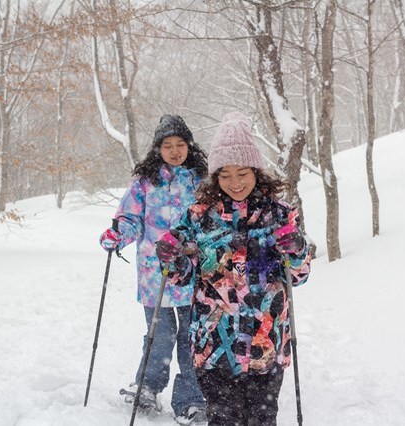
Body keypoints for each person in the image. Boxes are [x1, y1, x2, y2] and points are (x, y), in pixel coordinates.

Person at [155, 112, 311, 426]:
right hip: (214, 347)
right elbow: (181, 275)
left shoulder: (279, 215)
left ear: (256, 170)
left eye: (242, 173)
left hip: (264, 347)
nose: (234, 183)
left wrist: (297, 250)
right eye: (224, 175)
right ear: (215, 175)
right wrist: (170, 256)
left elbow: (299, 275)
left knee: (261, 420)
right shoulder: (199, 216)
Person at [99, 114, 207, 425]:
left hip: (191, 273)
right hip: (153, 274)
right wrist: (118, 235)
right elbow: (130, 219)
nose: (175, 151)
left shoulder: (201, 180)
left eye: (180, 144)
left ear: (189, 146)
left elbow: (210, 222)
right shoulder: (145, 182)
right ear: (158, 148)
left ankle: (191, 399)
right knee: (160, 336)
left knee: (192, 338)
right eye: (168, 145)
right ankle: (148, 386)